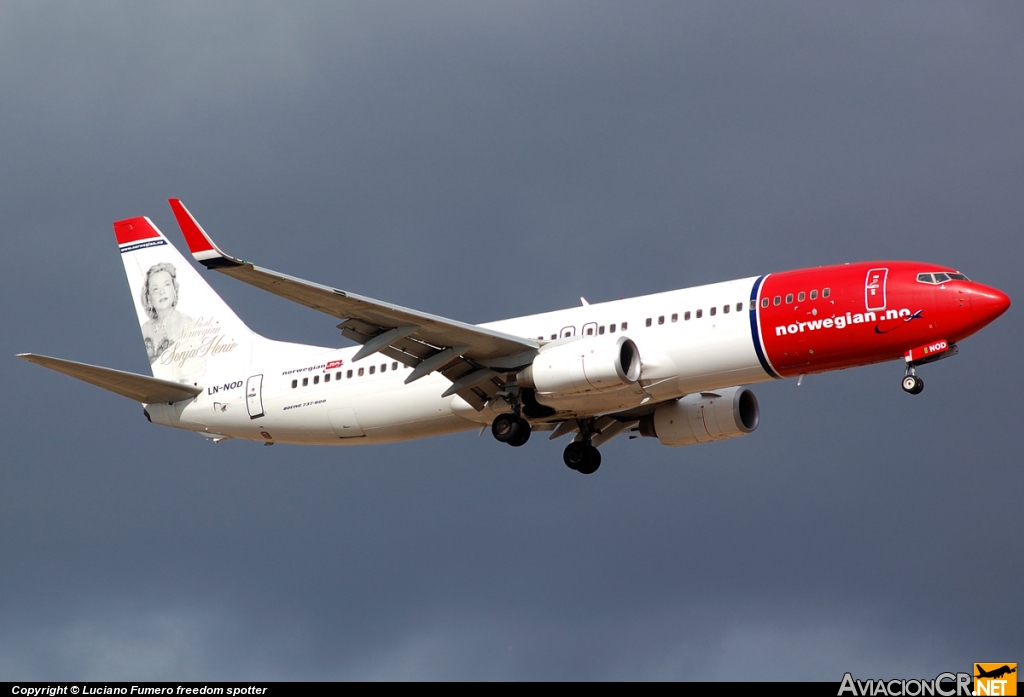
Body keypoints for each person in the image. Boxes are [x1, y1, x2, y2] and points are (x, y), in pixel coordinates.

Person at [140, 263, 193, 363]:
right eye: (155, 289)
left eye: (167, 285)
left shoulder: (185, 322)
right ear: (148, 298)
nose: (162, 292)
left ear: (174, 289)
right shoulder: (145, 328)